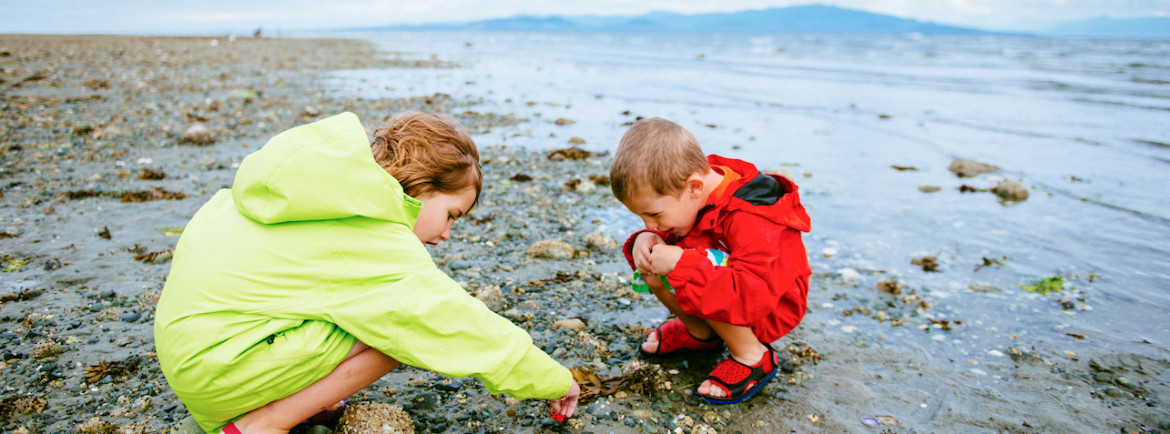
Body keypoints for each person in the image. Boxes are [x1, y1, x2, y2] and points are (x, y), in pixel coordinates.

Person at [154, 111, 579, 433]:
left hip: (192, 357)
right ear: (422, 185)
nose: (448, 233)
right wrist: (552, 379)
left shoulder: (311, 192)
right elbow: (452, 321)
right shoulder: (368, 234)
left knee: (372, 311)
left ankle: (287, 397)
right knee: (402, 328)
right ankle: (264, 422)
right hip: (218, 375)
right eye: (451, 214)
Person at [609, 117, 811, 404]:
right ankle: (702, 333)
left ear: (694, 187)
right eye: (642, 218)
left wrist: (683, 264)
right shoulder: (690, 191)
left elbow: (750, 294)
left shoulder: (750, 217)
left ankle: (753, 355)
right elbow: (683, 242)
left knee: (687, 267)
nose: (651, 224)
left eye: (654, 215)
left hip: (769, 303)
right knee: (652, 266)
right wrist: (645, 239)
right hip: (730, 286)